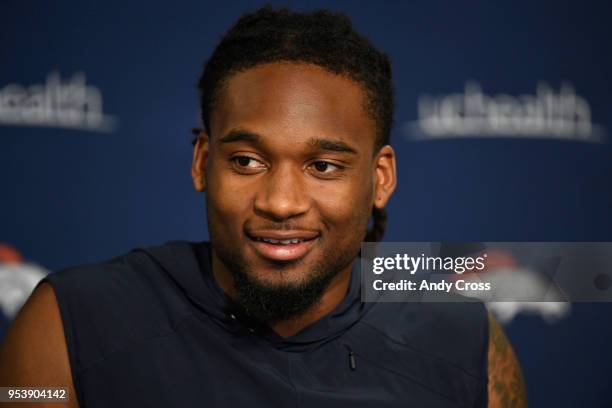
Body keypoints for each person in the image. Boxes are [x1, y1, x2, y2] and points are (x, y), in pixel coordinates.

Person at [0, 6, 525, 407]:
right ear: (203, 162)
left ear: (380, 178)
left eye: (323, 166)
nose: (281, 202)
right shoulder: (69, 324)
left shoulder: (467, 345)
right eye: (248, 161)